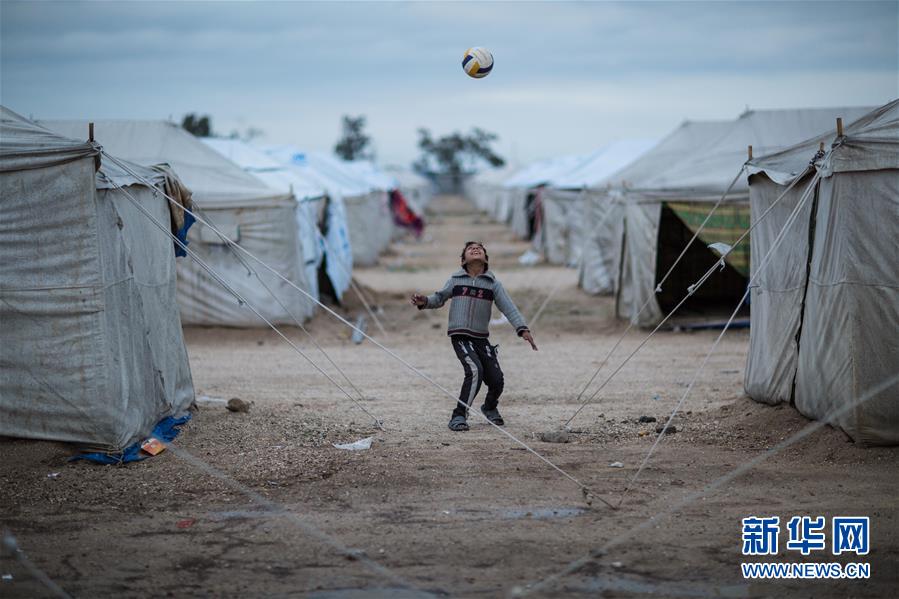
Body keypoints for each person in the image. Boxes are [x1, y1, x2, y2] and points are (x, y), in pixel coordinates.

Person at [410, 241, 538, 431]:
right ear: (463, 260)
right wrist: (425, 301)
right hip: (460, 335)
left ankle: (489, 407)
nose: (475, 249)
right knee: (475, 370)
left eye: (480, 248)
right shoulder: (455, 280)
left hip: (481, 337)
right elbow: (439, 298)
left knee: (496, 379)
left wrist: (522, 328)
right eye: (470, 249)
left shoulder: (493, 284)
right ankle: (459, 415)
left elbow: (508, 307)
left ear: (486, 259)